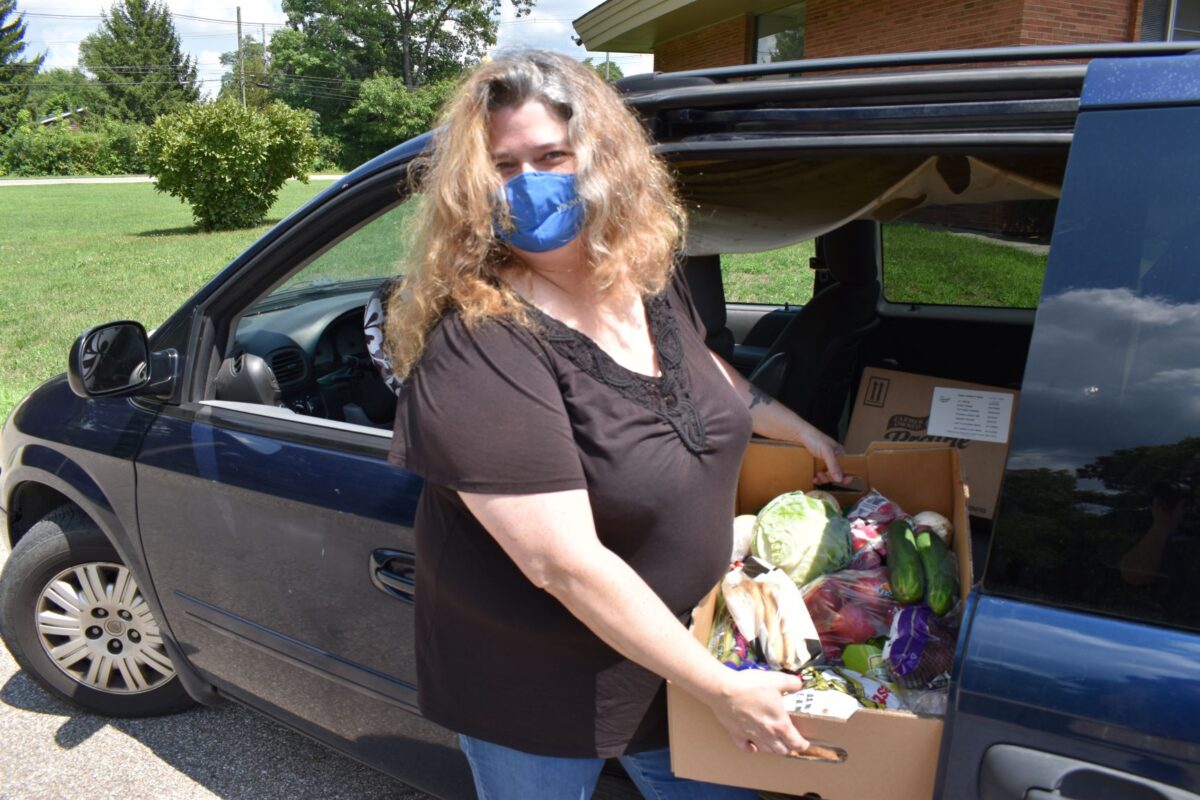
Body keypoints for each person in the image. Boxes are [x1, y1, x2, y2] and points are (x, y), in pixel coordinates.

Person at [384, 49, 845, 799]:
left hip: (682, 662)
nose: (529, 183)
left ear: (600, 157)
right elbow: (561, 563)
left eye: (552, 155)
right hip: (542, 692)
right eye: (504, 165)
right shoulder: (480, 343)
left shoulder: (641, 273)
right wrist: (720, 689)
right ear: (473, 181)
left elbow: (698, 370)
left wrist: (794, 428)